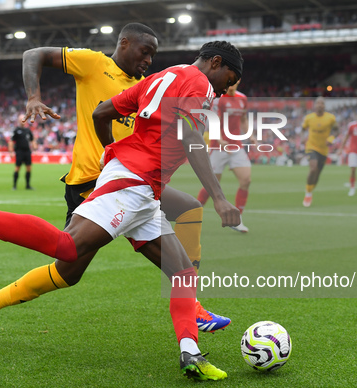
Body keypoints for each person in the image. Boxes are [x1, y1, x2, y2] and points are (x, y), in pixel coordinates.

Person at [0, 41, 243, 381]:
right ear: (215, 63)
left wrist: (110, 153)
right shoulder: (199, 83)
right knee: (67, 248)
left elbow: (103, 112)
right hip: (133, 182)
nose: (222, 90)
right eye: (226, 80)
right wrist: (217, 196)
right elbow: (190, 136)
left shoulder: (160, 77)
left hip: (144, 188)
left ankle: (191, 355)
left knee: (181, 274)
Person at [21, 23, 230, 331]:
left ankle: (193, 311)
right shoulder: (94, 63)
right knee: (67, 266)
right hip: (91, 180)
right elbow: (32, 54)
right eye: (145, 52)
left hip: (130, 179)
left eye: (153, 56)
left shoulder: (148, 84)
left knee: (187, 210)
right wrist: (33, 96)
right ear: (124, 43)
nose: (148, 61)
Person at [196, 79, 251, 233]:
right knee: (211, 185)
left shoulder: (242, 99)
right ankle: (192, 214)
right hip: (218, 147)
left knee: (246, 180)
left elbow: (244, 119)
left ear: (239, 81)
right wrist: (219, 139)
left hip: (236, 146)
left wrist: (251, 135)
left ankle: (237, 220)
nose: (232, 84)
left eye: (235, 81)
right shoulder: (219, 99)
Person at [301, 97, 337, 207]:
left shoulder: (330, 118)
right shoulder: (309, 118)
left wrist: (331, 138)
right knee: (313, 168)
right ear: (315, 105)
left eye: (322, 103)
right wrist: (303, 137)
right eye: (318, 103)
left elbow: (337, 129)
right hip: (311, 146)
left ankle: (310, 191)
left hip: (324, 149)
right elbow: (303, 129)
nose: (320, 105)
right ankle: (307, 193)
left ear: (324, 106)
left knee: (317, 173)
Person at [9, 117, 36, 190]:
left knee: (29, 168)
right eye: (21, 120)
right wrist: (11, 151)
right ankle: (14, 185)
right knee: (17, 168)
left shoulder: (28, 130)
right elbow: (11, 141)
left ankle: (27, 185)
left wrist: (34, 147)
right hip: (19, 151)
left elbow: (32, 139)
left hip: (27, 151)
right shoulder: (16, 130)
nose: (23, 121)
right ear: (19, 121)